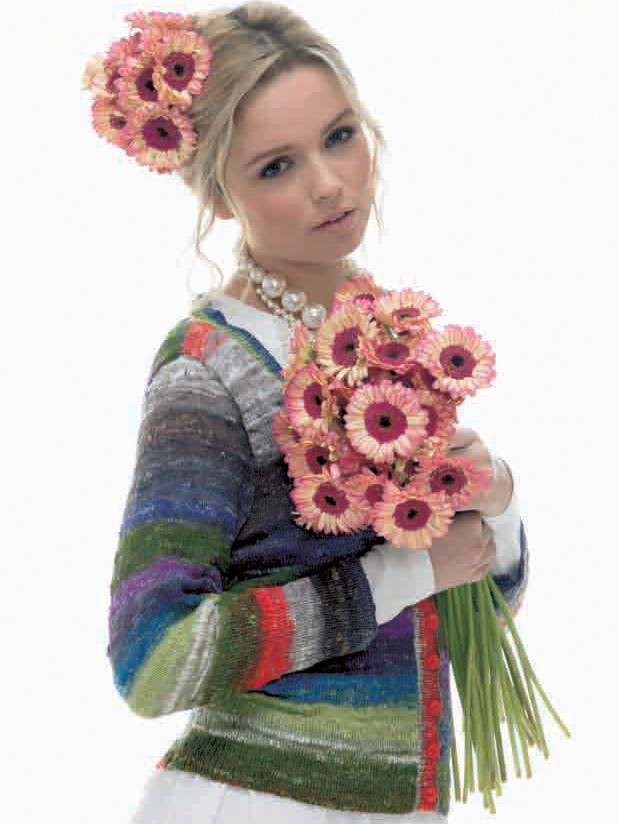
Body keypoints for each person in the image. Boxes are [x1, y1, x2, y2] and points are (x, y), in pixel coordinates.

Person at [88, 4, 529, 822]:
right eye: (276, 167)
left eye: (339, 136)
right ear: (217, 193)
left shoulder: (387, 335)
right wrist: (404, 572)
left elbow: (470, 610)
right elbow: (152, 660)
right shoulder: (210, 370)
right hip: (261, 803)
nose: (329, 183)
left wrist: (494, 503)